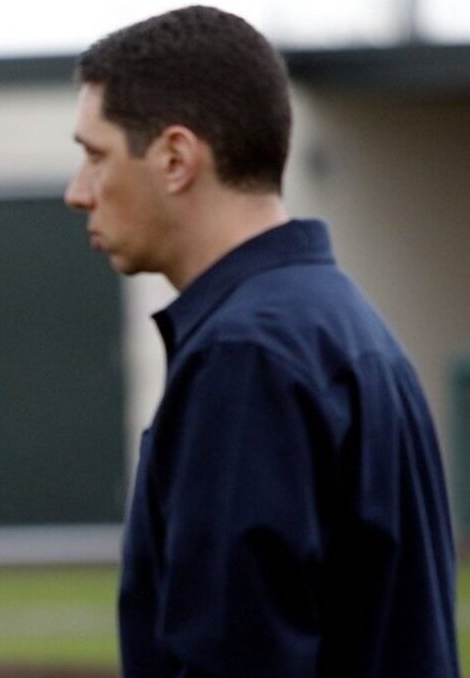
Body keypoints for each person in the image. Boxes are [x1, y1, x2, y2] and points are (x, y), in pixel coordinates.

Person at [65, 5, 458, 677]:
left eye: (96, 156)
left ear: (176, 158)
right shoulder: (340, 323)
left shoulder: (246, 357)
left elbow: (234, 658)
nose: (79, 192)